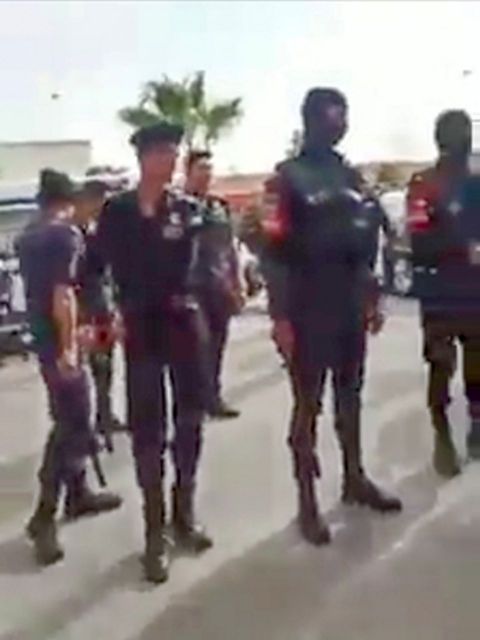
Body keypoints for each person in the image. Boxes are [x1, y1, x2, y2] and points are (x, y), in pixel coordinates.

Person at [262, 88, 402, 546]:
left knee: (351, 397)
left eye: (344, 115)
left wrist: (372, 295)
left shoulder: (349, 175)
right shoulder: (286, 179)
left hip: (348, 304)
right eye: (331, 115)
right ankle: (307, 502)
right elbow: (272, 253)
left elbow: (366, 240)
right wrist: (280, 317)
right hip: (306, 308)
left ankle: (354, 479)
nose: (339, 124)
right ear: (311, 120)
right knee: (308, 405)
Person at [92, 123, 213, 584]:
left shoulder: (187, 210)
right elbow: (93, 268)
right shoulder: (118, 211)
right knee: (148, 430)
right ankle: (153, 532)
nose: (170, 159)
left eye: (173, 152)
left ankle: (184, 514)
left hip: (183, 324)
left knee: (190, 422)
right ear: (143, 157)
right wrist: (105, 315)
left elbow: (197, 266)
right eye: (162, 152)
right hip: (141, 328)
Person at [17, 170, 122, 567]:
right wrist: (69, 347)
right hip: (62, 341)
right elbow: (63, 295)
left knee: (68, 417)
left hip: (43, 338)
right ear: (66, 200)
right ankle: (43, 517)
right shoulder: (64, 235)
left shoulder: (29, 235)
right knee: (71, 425)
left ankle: (78, 493)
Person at [407, 109, 480, 475]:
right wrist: (463, 248)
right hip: (439, 289)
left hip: (472, 290)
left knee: (475, 362)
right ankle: (442, 435)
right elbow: (418, 238)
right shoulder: (424, 184)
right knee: (440, 364)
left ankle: (476, 426)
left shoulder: (476, 181)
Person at [185, 150, 244, 419]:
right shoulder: (179, 205)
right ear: (188, 171)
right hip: (191, 285)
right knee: (198, 344)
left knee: (217, 344)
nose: (206, 174)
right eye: (201, 168)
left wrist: (237, 281)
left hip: (218, 284)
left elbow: (230, 247)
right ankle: (195, 399)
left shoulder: (219, 206)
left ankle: (212, 397)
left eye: (209, 168)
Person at [74, 179, 126, 450]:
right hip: (83, 309)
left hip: (102, 307)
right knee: (85, 368)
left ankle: (104, 414)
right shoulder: (73, 235)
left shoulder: (97, 232)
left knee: (105, 366)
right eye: (99, 203)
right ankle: (84, 425)